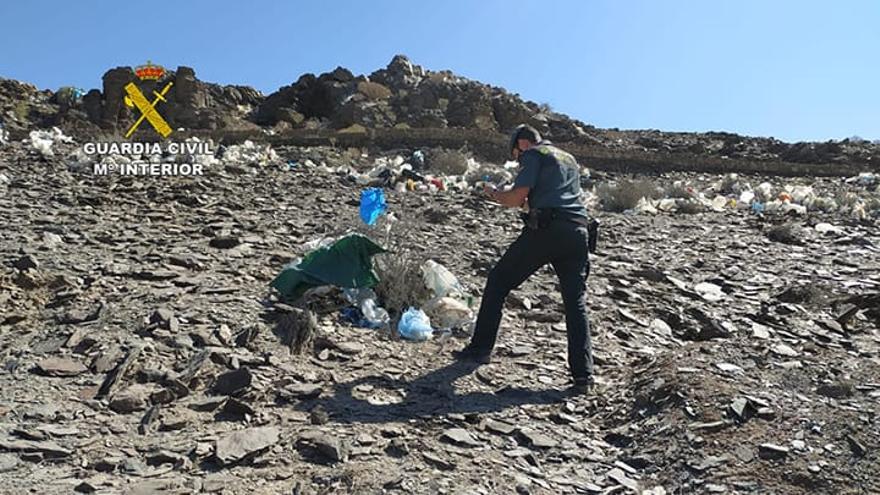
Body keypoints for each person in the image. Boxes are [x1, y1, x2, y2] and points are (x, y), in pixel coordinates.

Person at [453, 124, 594, 393]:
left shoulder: (534, 154)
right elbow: (550, 197)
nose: (518, 160)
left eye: (516, 154)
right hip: (578, 231)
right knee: (575, 303)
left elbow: (517, 197)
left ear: (523, 144)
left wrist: (494, 194)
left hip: (547, 229)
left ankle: (480, 349)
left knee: (498, 281)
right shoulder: (569, 158)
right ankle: (583, 376)